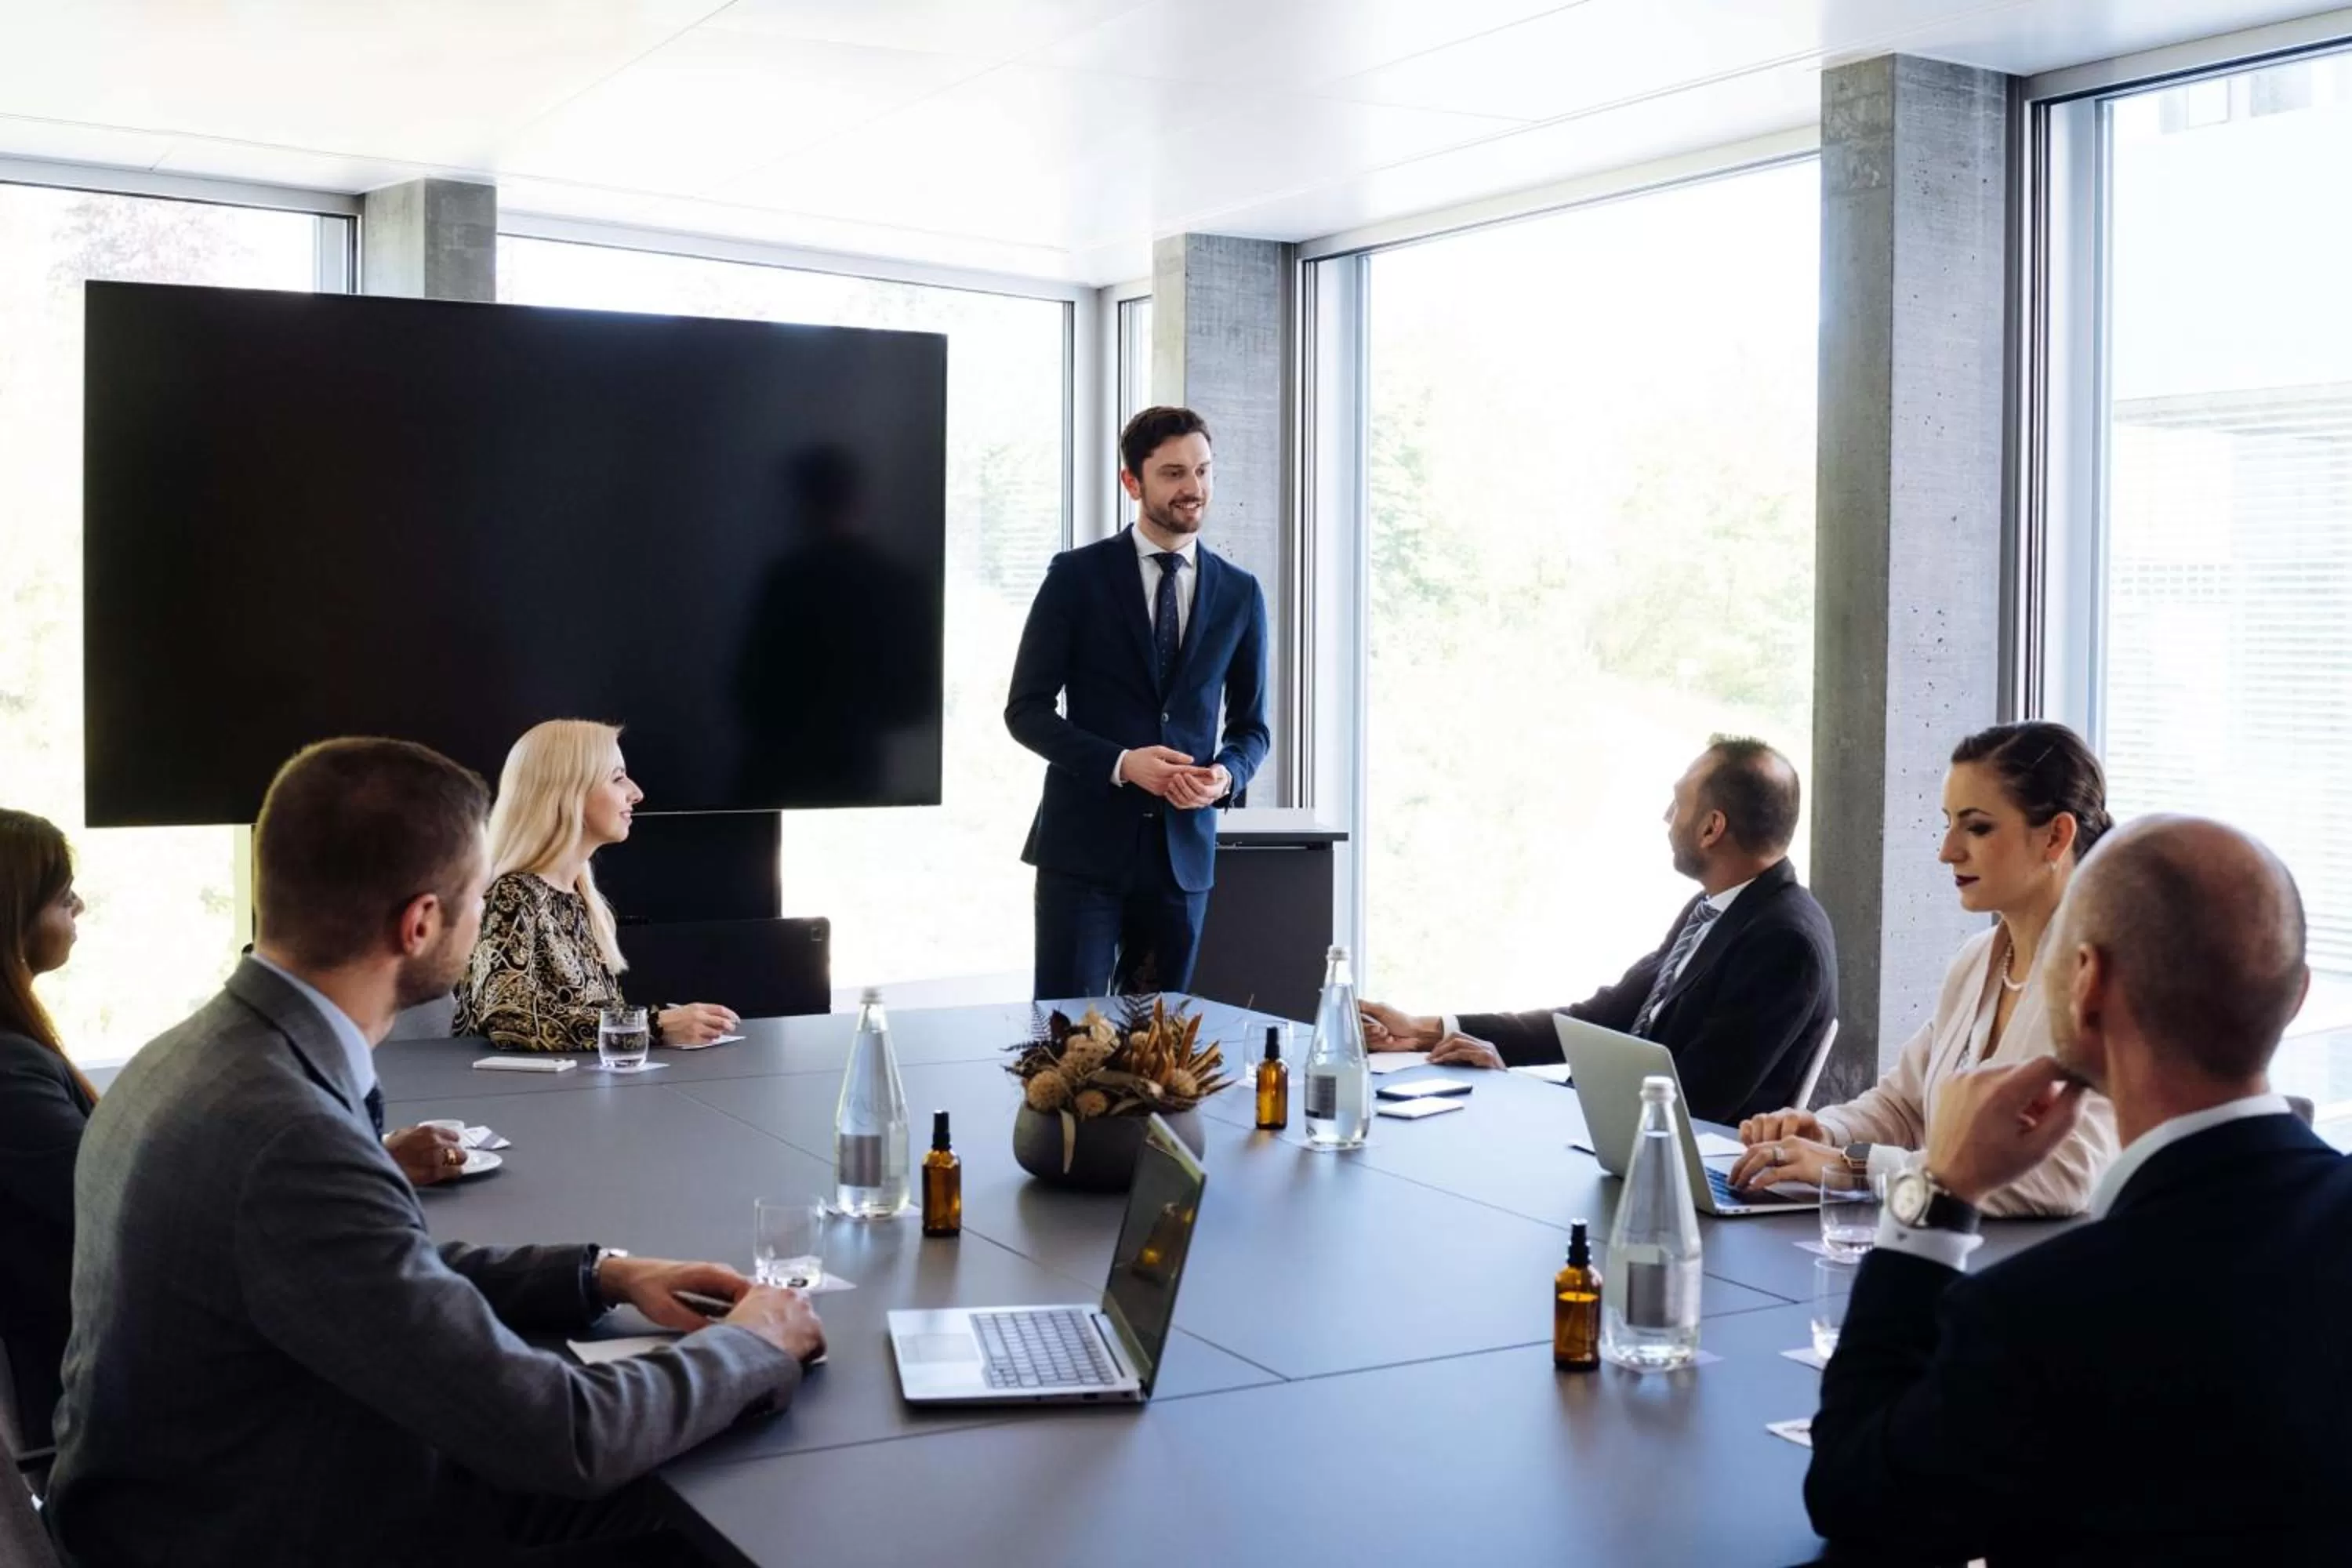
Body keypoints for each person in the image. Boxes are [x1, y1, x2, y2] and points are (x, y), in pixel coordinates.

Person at [46, 738, 825, 1566]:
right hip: (280, 1528)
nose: (486, 911)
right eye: (478, 896)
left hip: (207, 1498)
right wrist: (751, 1342)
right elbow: (562, 1432)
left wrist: (601, 1274)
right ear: (421, 922)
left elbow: (369, 1268)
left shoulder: (191, 1053)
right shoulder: (287, 1137)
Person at [1806, 815, 2345, 1562]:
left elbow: (1852, 1494)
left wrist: (1935, 1192)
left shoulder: (2037, 1318)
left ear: (2086, 983)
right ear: (2294, 997)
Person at [1730, 722, 2119, 1214]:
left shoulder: (2103, 982)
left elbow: (2064, 1178)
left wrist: (1854, 1166)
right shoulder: (1977, 962)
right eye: (1948, 822)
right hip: (1952, 1242)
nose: (1947, 850)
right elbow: (1903, 1105)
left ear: (2056, 836)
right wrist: (1827, 1131)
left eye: (1977, 827)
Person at [1358, 738, 1836, 1124]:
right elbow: (1600, 1018)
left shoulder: (1785, 943)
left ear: (1712, 828)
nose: (1667, 818)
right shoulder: (1719, 906)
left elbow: (1692, 1104)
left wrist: (1514, 1089)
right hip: (1607, 1138)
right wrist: (1427, 1031)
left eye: (1677, 804)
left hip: (1673, 1184)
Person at [1007, 405, 1271, 1000]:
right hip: (1083, 855)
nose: (1193, 489)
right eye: (1174, 473)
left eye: (1203, 471)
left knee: (1159, 1052)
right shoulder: (1076, 577)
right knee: (1069, 1042)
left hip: (1182, 860)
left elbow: (1253, 729)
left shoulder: (1240, 592)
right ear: (1133, 482)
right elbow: (1026, 711)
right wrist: (1123, 764)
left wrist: (1225, 775)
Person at [454, 720, 737, 1052]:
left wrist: (662, 1026)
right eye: (618, 778)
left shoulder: (579, 899)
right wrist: (653, 1026)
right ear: (567, 792)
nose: (636, 793)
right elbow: (507, 1019)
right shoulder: (513, 894)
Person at [0, 809, 95, 1454]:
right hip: (65, 1361)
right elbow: (113, 1192)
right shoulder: (10, 1065)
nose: (79, 907)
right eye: (64, 898)